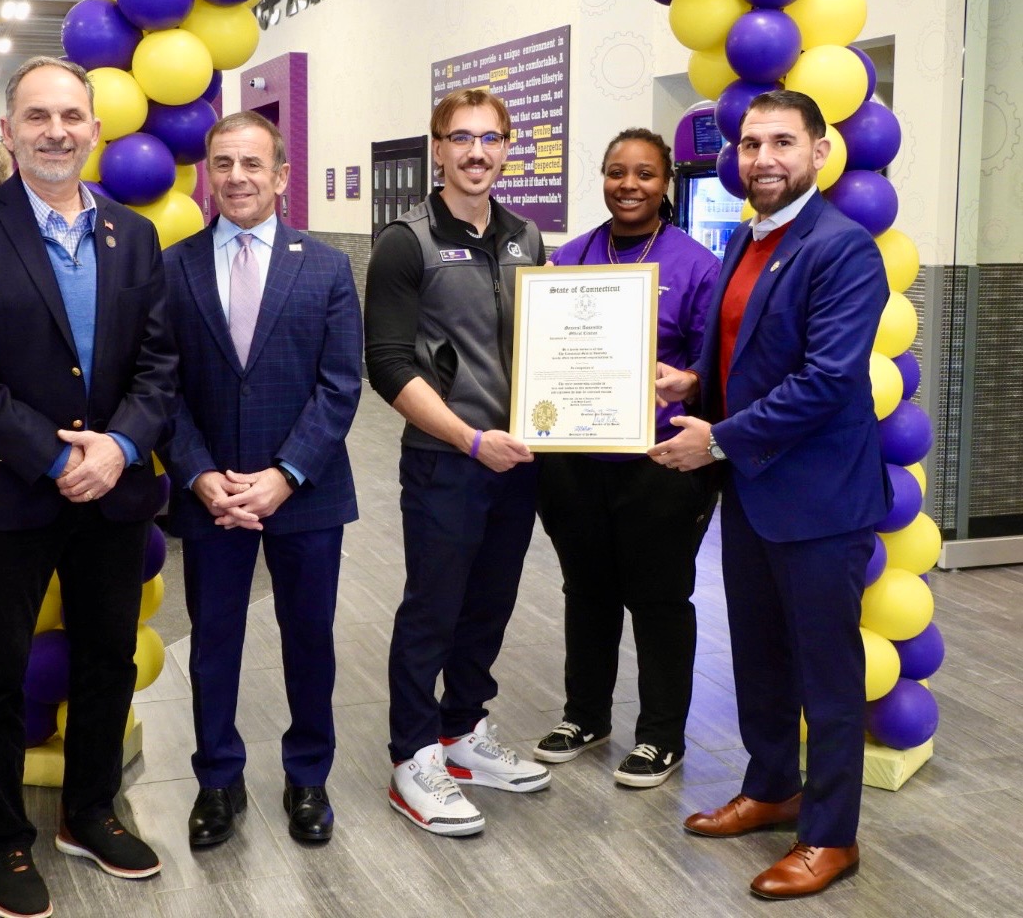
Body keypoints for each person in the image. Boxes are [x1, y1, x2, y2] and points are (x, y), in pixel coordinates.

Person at [0, 56, 177, 918]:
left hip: (114, 489)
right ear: (7, 130)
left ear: (96, 130)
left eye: (72, 116)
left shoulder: (134, 236)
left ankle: (90, 809)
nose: (57, 131)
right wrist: (58, 456)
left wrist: (120, 446)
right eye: (38, 116)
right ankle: (1, 839)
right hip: (5, 494)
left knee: (106, 657)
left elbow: (157, 364)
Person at [650, 90, 891, 900]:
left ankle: (830, 836)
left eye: (782, 143)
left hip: (818, 501)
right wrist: (693, 381)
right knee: (756, 653)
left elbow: (825, 381)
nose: (763, 159)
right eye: (751, 144)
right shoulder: (744, 242)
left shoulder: (843, 248)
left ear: (819, 154)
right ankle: (771, 789)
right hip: (752, 495)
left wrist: (714, 436)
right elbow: (744, 354)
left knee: (824, 671)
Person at [160, 111, 362, 848]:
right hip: (210, 496)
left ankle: (308, 776)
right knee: (214, 641)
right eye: (223, 164)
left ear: (280, 176)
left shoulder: (328, 266)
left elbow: (340, 385)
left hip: (305, 494)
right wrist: (198, 473)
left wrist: (286, 474)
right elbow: (163, 387)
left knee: (309, 638)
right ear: (206, 174)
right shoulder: (173, 266)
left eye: (252, 165)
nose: (237, 178)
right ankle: (218, 779)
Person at [364, 88, 549, 838]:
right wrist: (471, 440)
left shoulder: (526, 238)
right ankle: (413, 758)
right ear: (436, 149)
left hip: (519, 460)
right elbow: (387, 365)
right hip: (449, 459)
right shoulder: (406, 243)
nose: (477, 152)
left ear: (507, 148)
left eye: (491, 138)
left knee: (489, 604)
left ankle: (462, 733)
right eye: (461, 138)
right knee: (432, 609)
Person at [533, 129, 721, 787]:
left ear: (665, 181)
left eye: (644, 173)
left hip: (661, 462)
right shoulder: (571, 257)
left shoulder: (696, 265)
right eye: (616, 172)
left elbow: (717, 365)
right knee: (586, 590)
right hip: (576, 460)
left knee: (659, 597)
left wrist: (691, 380)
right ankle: (586, 715)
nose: (629, 185)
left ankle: (661, 735)